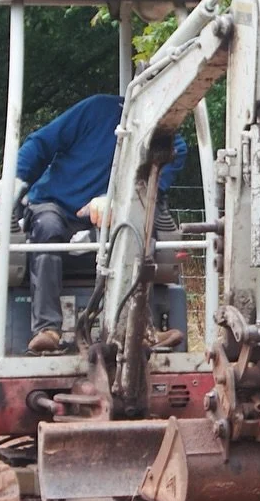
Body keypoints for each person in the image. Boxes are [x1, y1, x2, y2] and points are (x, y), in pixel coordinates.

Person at [14, 93, 186, 353]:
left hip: (111, 219)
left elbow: (148, 192)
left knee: (139, 235)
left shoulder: (172, 148)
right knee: (48, 227)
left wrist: (113, 201)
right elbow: (41, 144)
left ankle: (138, 329)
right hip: (57, 205)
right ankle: (47, 329)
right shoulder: (96, 111)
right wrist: (15, 182)